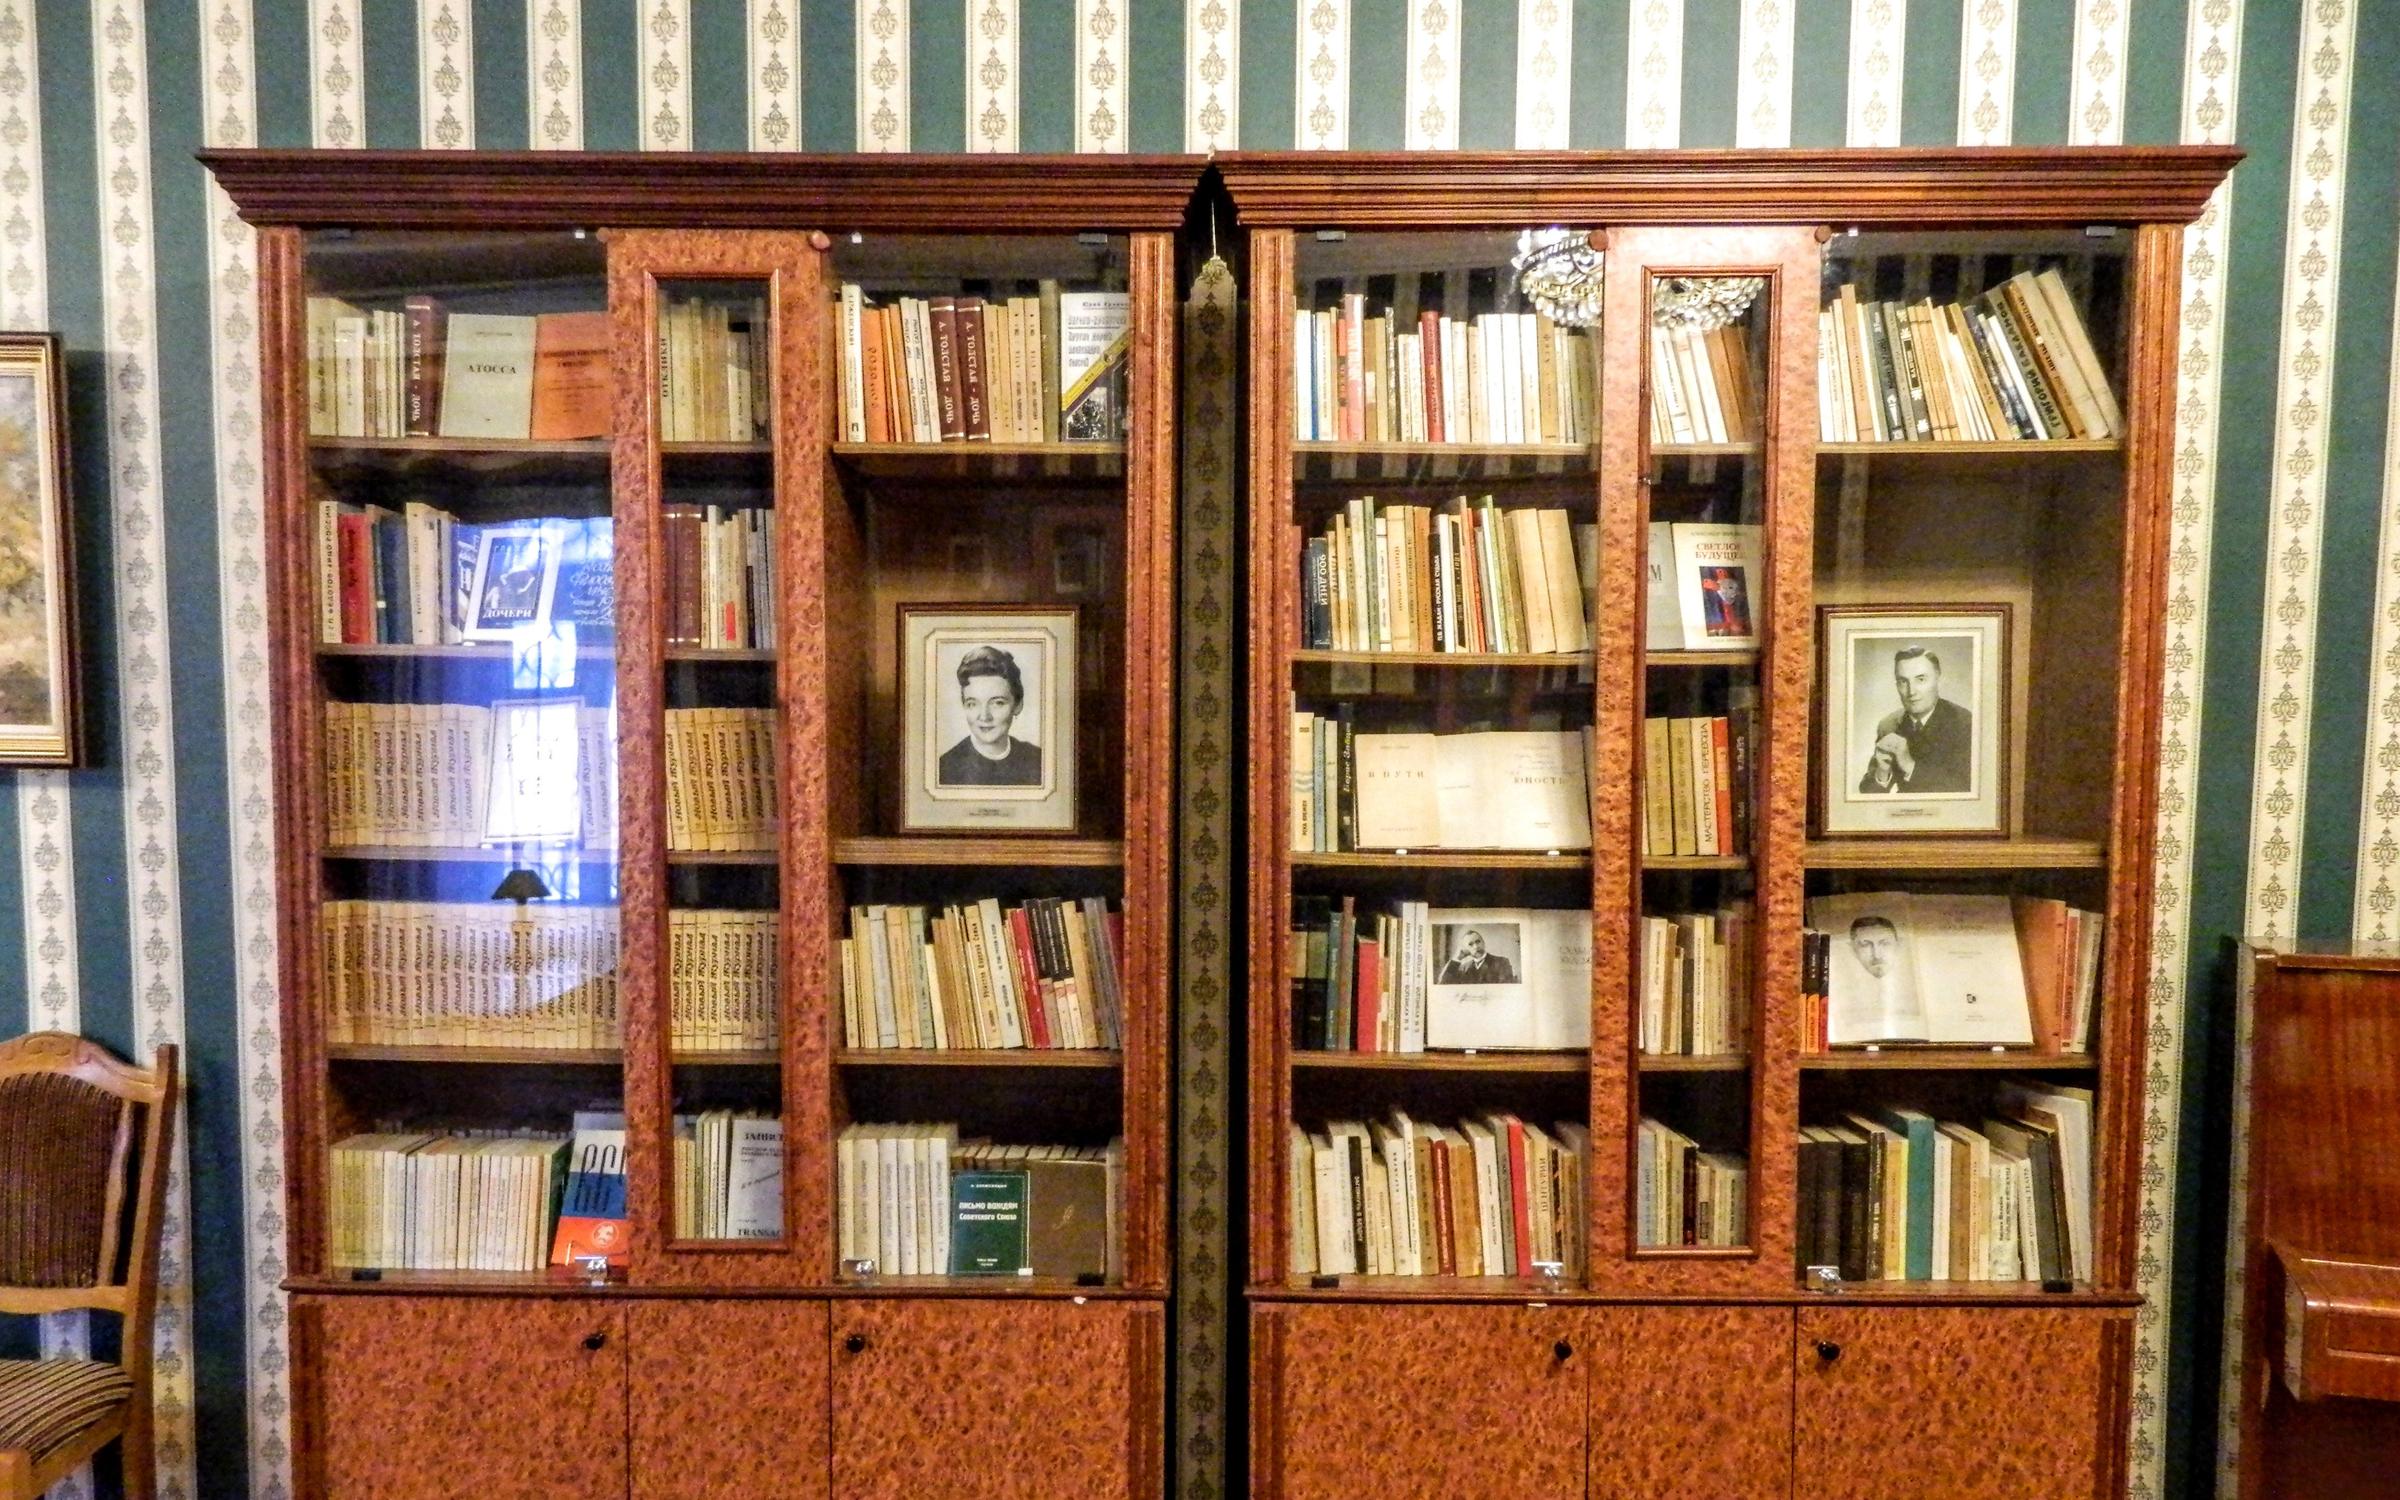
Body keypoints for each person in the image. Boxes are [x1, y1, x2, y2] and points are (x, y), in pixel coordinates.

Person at [1857, 645, 1973, 794]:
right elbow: (1867, 795)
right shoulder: (1888, 725)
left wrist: (1909, 766)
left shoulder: (1965, 723)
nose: (1911, 691)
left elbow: (1966, 791)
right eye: (1903, 681)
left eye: (1921, 679)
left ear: (1938, 680)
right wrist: (1882, 773)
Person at [937, 644, 1043, 787]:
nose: (984, 717)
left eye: (997, 703)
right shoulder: (944, 769)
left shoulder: (1038, 760)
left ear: (1018, 705)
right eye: (972, 703)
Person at [1437, 928, 1517, 985]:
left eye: (1478, 942)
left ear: (1483, 942)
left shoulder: (1501, 962)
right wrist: (1456, 959)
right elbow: (1443, 983)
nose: (1476, 946)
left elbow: (1506, 988)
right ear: (1466, 949)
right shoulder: (1463, 968)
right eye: (1470, 944)